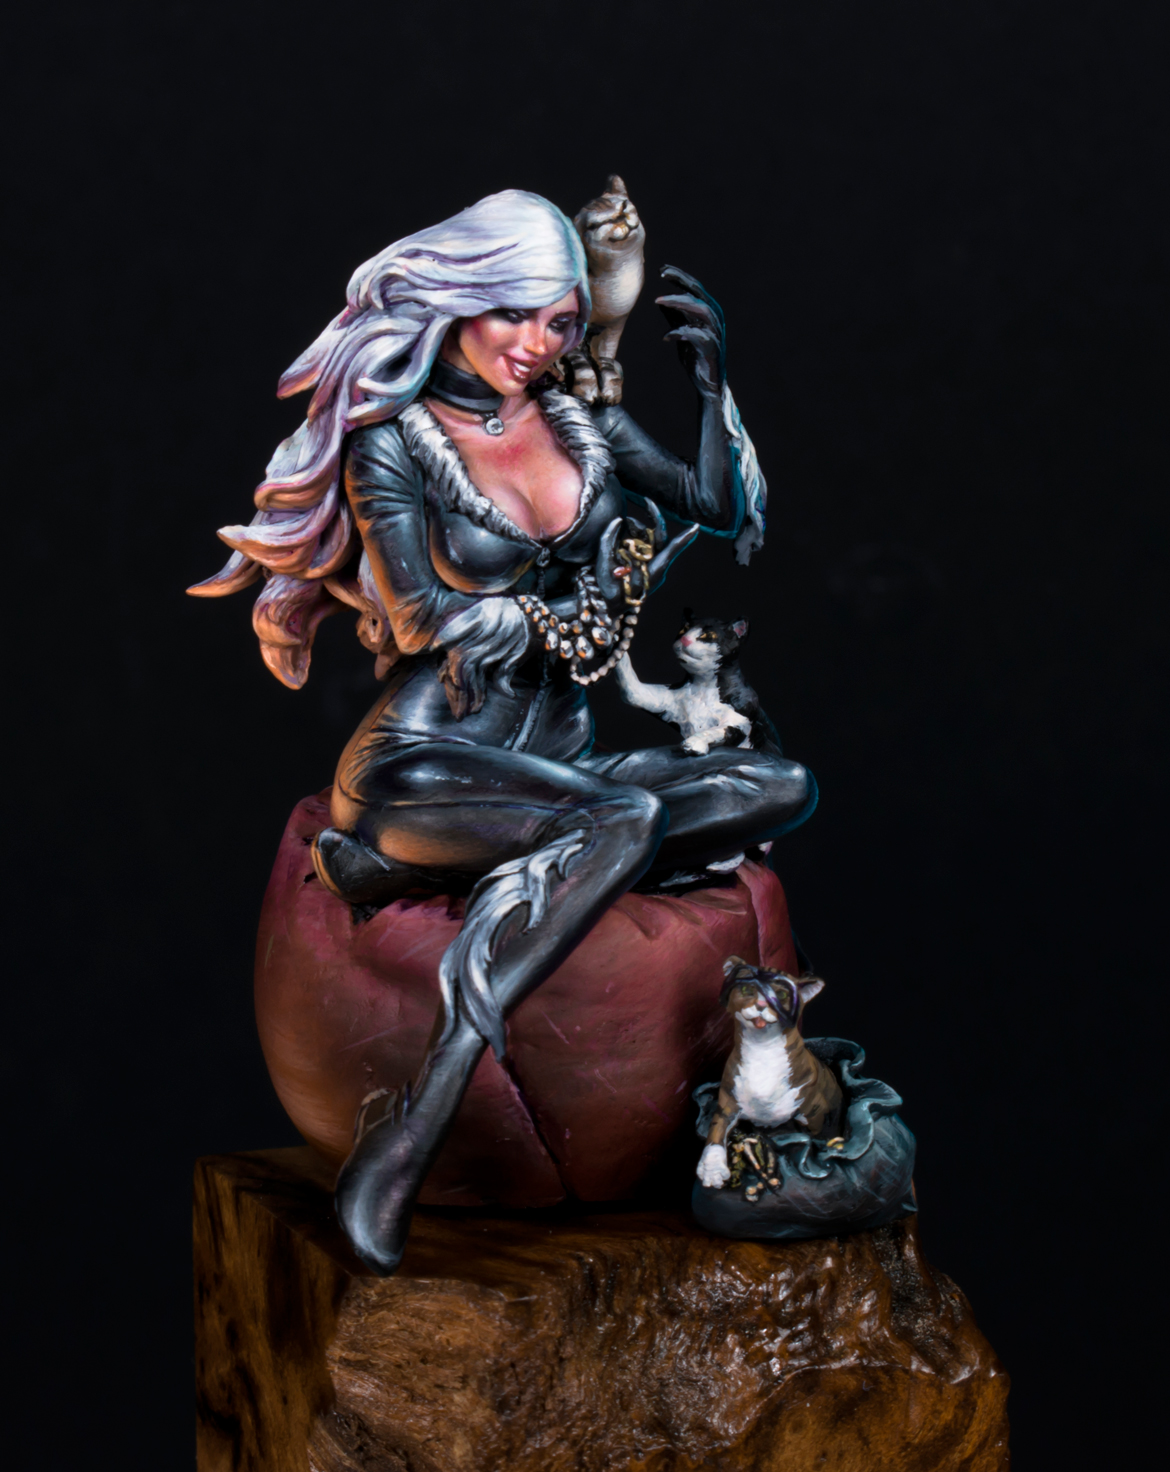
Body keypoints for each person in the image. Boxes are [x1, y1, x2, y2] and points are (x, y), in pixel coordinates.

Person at [190, 189, 817, 1274]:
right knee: (623, 820)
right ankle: (425, 1107)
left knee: (777, 784)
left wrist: (713, 388)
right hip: (425, 759)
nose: (537, 343)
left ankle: (491, 861)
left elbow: (711, 504)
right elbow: (420, 616)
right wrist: (552, 614)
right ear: (458, 301)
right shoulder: (393, 442)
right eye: (513, 313)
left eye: (561, 321)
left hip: (559, 764)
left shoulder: (580, 424)